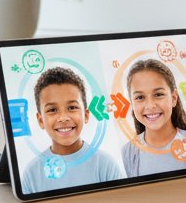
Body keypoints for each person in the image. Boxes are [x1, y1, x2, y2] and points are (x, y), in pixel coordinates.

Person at [20, 65, 124, 193]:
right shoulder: (31, 173)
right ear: (41, 120)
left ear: (86, 115)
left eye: (72, 107)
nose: (63, 118)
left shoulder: (105, 165)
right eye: (52, 110)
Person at [121, 58, 186, 176]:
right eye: (140, 97)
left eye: (158, 94)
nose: (150, 106)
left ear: (173, 98)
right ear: (132, 103)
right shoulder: (128, 152)